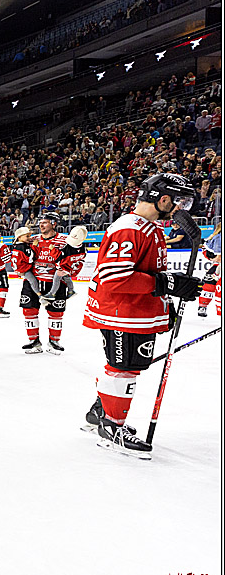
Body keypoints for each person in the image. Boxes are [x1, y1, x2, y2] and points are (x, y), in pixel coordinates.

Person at [82, 173, 201, 458]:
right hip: (120, 312)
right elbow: (115, 278)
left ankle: (101, 410)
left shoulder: (150, 228)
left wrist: (165, 302)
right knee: (122, 367)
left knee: (128, 365)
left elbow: (150, 274)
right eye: (178, 202)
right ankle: (111, 428)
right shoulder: (129, 229)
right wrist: (166, 284)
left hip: (134, 311)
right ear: (163, 199)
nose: (180, 209)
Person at [17, 212, 85, 355]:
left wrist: (69, 272)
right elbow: (19, 252)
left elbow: (77, 259)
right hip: (34, 281)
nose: (41, 225)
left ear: (54, 224)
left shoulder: (65, 240)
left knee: (56, 313)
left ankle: (54, 341)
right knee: (29, 311)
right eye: (40, 222)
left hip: (56, 282)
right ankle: (34, 341)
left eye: (45, 222)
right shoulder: (33, 239)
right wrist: (20, 268)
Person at [40, 225, 88, 303]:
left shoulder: (68, 248)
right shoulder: (83, 249)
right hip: (70, 268)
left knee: (57, 278)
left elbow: (59, 258)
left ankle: (52, 293)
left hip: (64, 267)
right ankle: (71, 291)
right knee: (66, 277)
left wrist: (52, 250)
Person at [197, 223, 221, 318]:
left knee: (209, 285)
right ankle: (203, 307)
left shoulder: (214, 236)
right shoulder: (218, 238)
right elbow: (218, 256)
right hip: (217, 265)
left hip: (216, 265)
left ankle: (202, 307)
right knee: (209, 285)